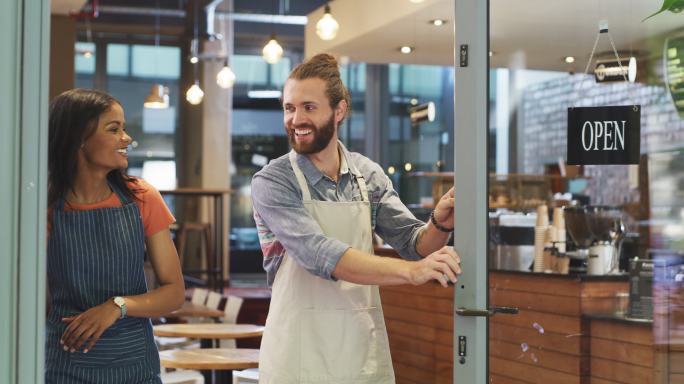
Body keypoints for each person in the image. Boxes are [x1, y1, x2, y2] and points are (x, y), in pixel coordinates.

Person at [251, 53, 461, 384]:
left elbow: (414, 245)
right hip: (297, 356)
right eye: (289, 108)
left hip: (360, 354)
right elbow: (321, 254)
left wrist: (440, 221)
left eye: (309, 107)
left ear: (339, 110)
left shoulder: (366, 175)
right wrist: (411, 273)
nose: (295, 118)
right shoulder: (273, 181)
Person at [45, 89, 185, 383]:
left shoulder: (142, 197)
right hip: (63, 363)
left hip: (135, 363)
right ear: (79, 138)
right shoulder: (45, 208)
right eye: (114, 129)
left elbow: (174, 293)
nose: (127, 139)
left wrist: (117, 307)